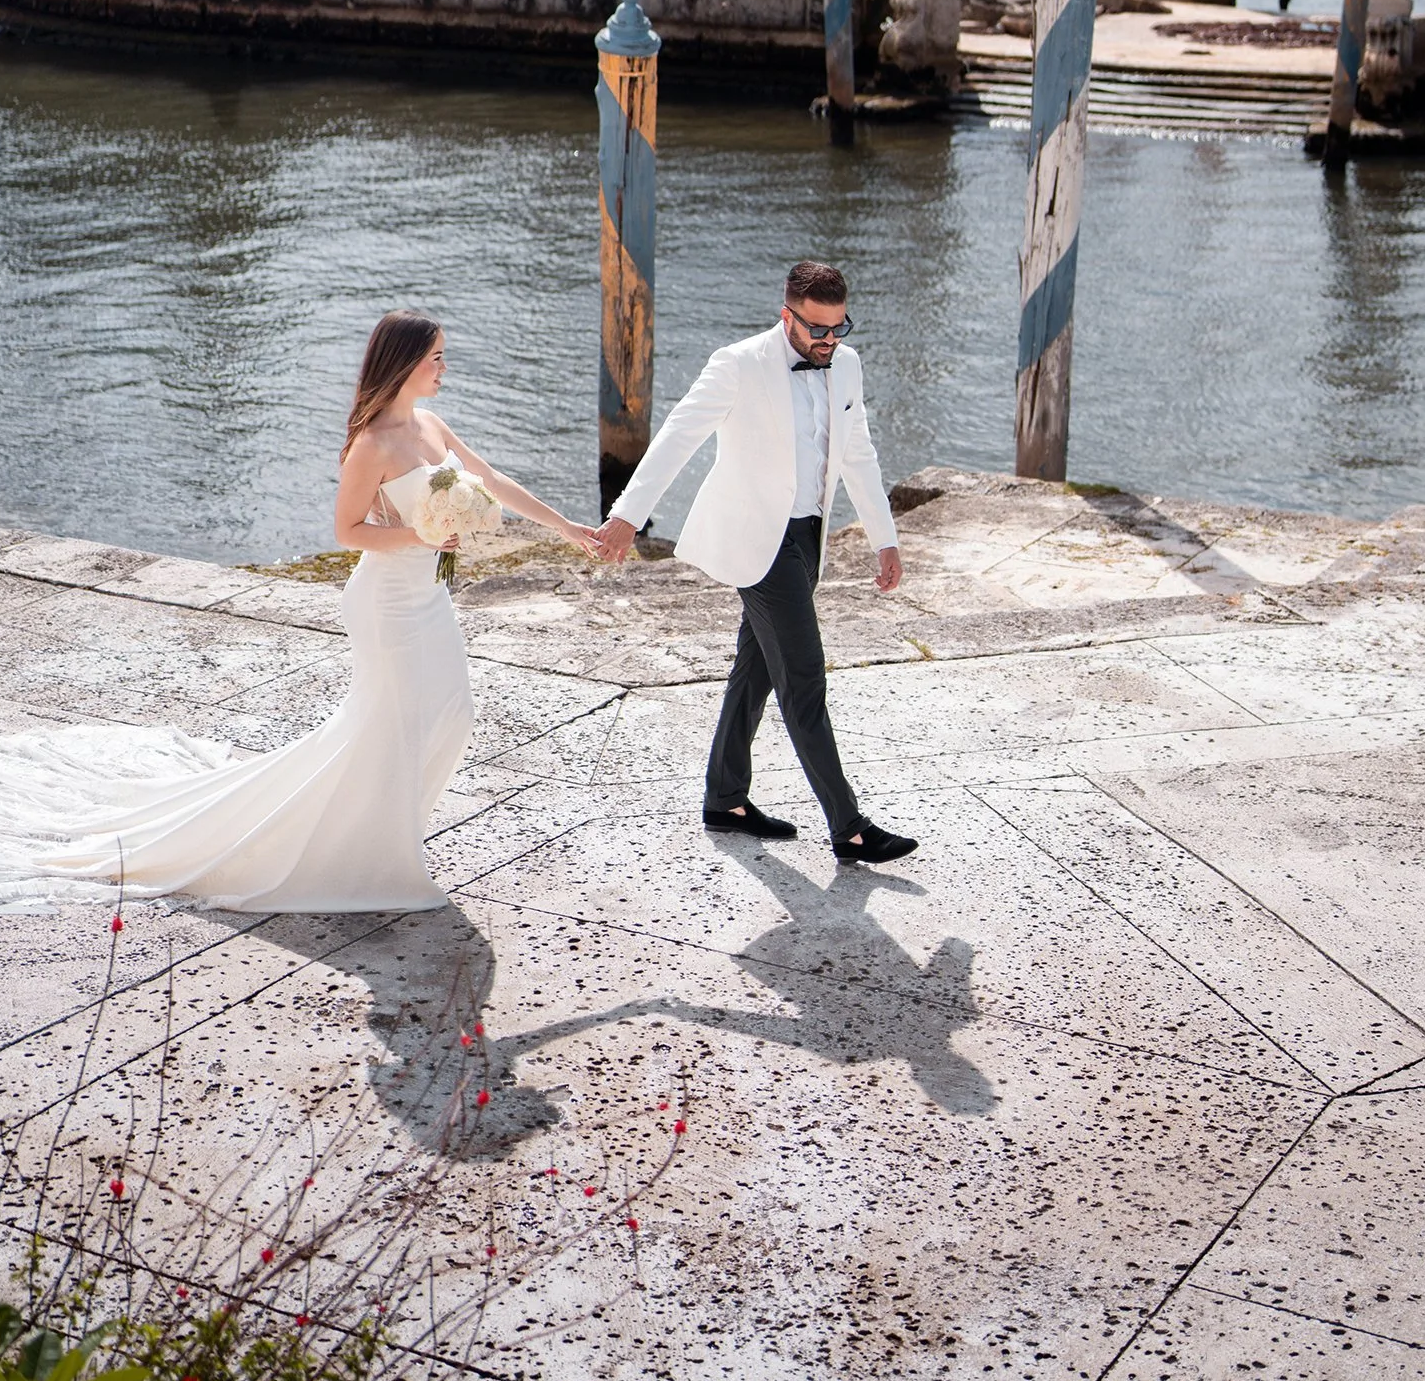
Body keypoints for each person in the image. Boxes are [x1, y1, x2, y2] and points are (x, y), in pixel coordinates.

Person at [52, 312, 600, 910]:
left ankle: (379, 836)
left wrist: (567, 528)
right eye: (437, 357)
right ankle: (372, 854)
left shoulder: (432, 426)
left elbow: (492, 481)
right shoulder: (372, 443)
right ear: (406, 362)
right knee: (391, 725)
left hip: (429, 595)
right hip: (386, 603)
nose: (445, 368)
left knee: (454, 713)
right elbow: (347, 531)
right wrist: (422, 536)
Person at [596, 262, 916, 864]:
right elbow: (677, 435)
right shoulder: (738, 364)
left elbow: (859, 451)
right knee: (804, 681)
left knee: (756, 669)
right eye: (817, 329)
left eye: (838, 327)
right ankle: (848, 826)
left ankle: (725, 798)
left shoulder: (845, 365)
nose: (829, 340)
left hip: (808, 538)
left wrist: (885, 537)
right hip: (758, 545)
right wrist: (628, 515)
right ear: (786, 313)